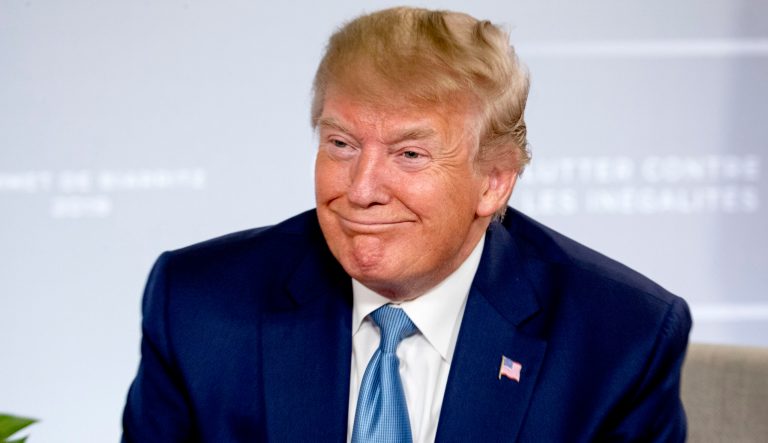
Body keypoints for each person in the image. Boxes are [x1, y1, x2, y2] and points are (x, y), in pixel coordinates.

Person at [122, 6, 691, 442]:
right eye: (341, 144)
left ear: (493, 182)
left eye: (410, 154)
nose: (361, 191)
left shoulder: (620, 339)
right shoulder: (199, 306)